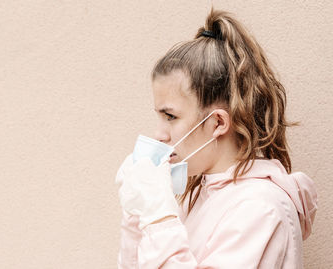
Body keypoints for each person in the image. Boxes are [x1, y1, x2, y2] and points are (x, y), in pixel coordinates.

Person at [114, 8, 318, 269]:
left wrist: (159, 220)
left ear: (218, 123)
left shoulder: (260, 209)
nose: (159, 134)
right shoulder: (197, 196)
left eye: (171, 117)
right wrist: (137, 215)